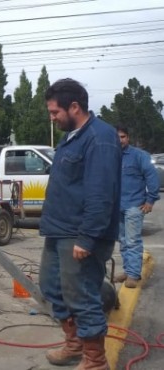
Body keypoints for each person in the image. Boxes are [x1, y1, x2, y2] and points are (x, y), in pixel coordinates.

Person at [39, 78, 121, 370]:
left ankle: (95, 361)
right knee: (51, 287)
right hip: (59, 230)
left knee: (82, 296)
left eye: (54, 112)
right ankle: (74, 345)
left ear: (74, 106)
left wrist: (87, 238)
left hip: (80, 234)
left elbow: (101, 194)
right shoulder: (73, 135)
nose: (52, 117)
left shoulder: (100, 137)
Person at [114, 126, 160, 288]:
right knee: (123, 240)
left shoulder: (139, 156)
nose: (120, 140)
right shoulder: (110, 156)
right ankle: (127, 271)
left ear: (128, 138)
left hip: (134, 205)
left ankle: (133, 275)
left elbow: (151, 177)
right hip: (116, 206)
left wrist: (150, 200)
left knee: (132, 240)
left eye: (123, 136)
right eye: (117, 137)